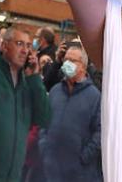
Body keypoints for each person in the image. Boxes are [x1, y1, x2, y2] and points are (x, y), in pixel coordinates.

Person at [0, 27, 51, 182]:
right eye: (19, 44)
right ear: (4, 46)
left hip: (14, 175)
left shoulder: (28, 83)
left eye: (28, 46)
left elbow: (44, 118)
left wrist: (35, 77)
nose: (25, 50)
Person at [41, 43, 102, 182]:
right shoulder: (55, 91)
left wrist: (83, 158)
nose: (67, 63)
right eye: (66, 59)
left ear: (83, 66)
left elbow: (99, 132)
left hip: (79, 173)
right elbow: (44, 121)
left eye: (72, 60)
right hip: (51, 168)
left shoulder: (95, 96)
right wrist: (44, 147)